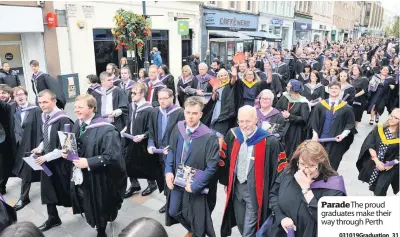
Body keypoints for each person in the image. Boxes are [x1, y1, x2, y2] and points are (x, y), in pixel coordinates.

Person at [219, 105, 286, 237]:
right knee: (240, 221)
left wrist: (274, 193)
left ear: (256, 120)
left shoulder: (269, 141)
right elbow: (224, 160)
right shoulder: (233, 135)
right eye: (241, 121)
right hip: (237, 187)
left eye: (248, 121)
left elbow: (280, 169)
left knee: (249, 226)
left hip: (255, 190)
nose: (244, 125)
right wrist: (227, 181)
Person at [67, 94, 127, 237]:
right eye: (75, 107)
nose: (76, 110)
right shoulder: (78, 124)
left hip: (100, 177)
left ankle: (101, 230)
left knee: (100, 204)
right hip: (82, 174)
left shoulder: (107, 130)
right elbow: (74, 145)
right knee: (86, 199)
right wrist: (67, 152)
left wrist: (88, 162)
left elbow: (112, 157)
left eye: (80, 107)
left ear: (92, 108)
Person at [165, 96, 220, 237]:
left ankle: (196, 232)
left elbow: (212, 166)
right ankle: (193, 231)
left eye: (194, 113)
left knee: (197, 216)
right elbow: (171, 149)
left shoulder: (209, 136)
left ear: (201, 114)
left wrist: (196, 186)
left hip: (195, 182)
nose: (190, 116)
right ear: (184, 112)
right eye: (188, 112)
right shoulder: (179, 128)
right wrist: (168, 171)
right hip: (178, 179)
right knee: (173, 211)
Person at [267, 141, 346, 237]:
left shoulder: (334, 186)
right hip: (280, 232)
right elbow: (273, 195)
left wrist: (306, 189)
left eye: (312, 165)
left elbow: (329, 220)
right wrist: (281, 218)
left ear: (321, 163)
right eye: (302, 164)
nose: (306, 170)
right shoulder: (288, 172)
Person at [32, 89, 74, 232]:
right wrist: (39, 147)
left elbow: (67, 147)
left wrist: (46, 156)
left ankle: (87, 208)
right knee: (47, 190)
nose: (42, 105)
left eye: (45, 102)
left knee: (70, 189)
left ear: (54, 101)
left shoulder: (63, 119)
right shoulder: (44, 116)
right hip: (47, 160)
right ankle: (53, 218)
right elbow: (46, 137)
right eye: (40, 102)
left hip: (62, 162)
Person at [124, 82, 164, 198]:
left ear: (142, 94)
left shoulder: (149, 110)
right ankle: (134, 184)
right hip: (131, 140)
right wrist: (125, 129)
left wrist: (143, 136)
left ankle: (152, 184)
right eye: (131, 93)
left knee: (146, 165)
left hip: (143, 143)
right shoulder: (131, 106)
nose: (132, 95)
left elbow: (152, 129)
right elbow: (130, 121)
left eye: (135, 93)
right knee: (128, 163)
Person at [148, 88, 184, 213]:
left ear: (172, 97)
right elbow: (151, 130)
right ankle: (168, 200)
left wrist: (173, 148)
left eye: (165, 98)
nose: (162, 101)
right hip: (158, 153)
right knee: (163, 178)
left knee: (172, 177)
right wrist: (151, 144)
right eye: (160, 98)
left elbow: (182, 134)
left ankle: (172, 203)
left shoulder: (180, 113)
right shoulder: (155, 112)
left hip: (172, 154)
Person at [10, 87, 42, 211]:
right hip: (20, 146)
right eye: (16, 95)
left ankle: (24, 198)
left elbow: (39, 128)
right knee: (28, 172)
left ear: (26, 95)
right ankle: (24, 197)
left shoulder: (35, 110)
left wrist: (38, 146)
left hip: (32, 146)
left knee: (31, 171)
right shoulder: (15, 110)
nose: (19, 96)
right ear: (14, 98)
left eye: (21, 94)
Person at [311, 81, 355, 170]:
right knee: (317, 164)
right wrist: (315, 135)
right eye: (331, 88)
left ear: (340, 90)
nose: (334, 90)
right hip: (320, 140)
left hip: (336, 142)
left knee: (332, 165)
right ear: (328, 90)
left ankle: (329, 182)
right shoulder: (320, 105)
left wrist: (343, 135)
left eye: (336, 88)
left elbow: (350, 123)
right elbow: (314, 121)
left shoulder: (346, 108)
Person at [356, 108, 399, 196]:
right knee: (374, 186)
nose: (391, 118)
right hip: (375, 162)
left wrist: (391, 163)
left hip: (390, 167)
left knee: (380, 189)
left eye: (395, 118)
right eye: (391, 115)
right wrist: (376, 160)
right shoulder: (380, 128)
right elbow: (369, 143)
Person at [275, 79, 310, 159]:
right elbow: (277, 108)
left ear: (294, 88)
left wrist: (290, 116)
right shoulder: (284, 97)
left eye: (288, 87)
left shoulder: (303, 102)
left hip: (295, 131)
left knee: (291, 152)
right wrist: (282, 114)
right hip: (282, 127)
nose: (286, 88)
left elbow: (304, 119)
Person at [202, 68, 237, 148]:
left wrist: (234, 76)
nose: (223, 77)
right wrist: (214, 92)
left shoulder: (229, 85)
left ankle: (220, 153)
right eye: (221, 76)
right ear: (218, 77)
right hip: (216, 109)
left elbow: (233, 80)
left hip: (225, 111)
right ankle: (213, 150)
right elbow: (214, 99)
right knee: (213, 130)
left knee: (220, 133)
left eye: (225, 75)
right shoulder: (217, 85)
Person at [0, 84, 16, 195]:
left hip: (11, 138)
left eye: (4, 93)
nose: (1, 95)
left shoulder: (13, 105)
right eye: (0, 93)